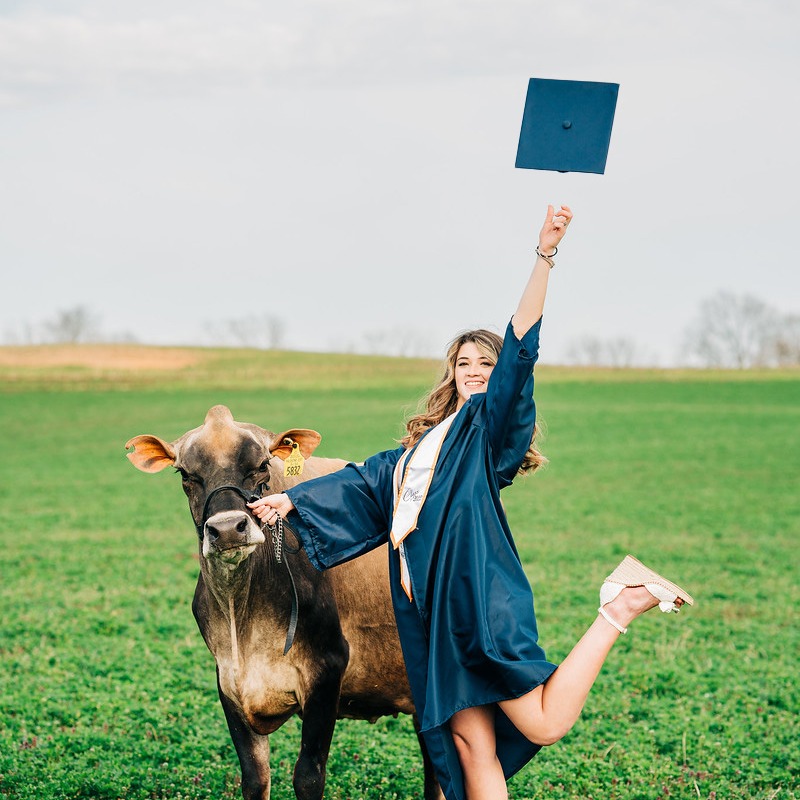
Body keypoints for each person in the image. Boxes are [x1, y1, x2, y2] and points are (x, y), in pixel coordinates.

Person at [249, 205, 693, 800]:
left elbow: (520, 354)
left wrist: (544, 257)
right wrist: (292, 504)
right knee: (468, 749)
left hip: (474, 601)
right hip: (430, 616)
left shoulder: (485, 433)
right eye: (465, 363)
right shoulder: (415, 452)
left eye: (486, 362)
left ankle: (619, 603)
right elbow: (363, 484)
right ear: (450, 375)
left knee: (542, 721)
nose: (477, 371)